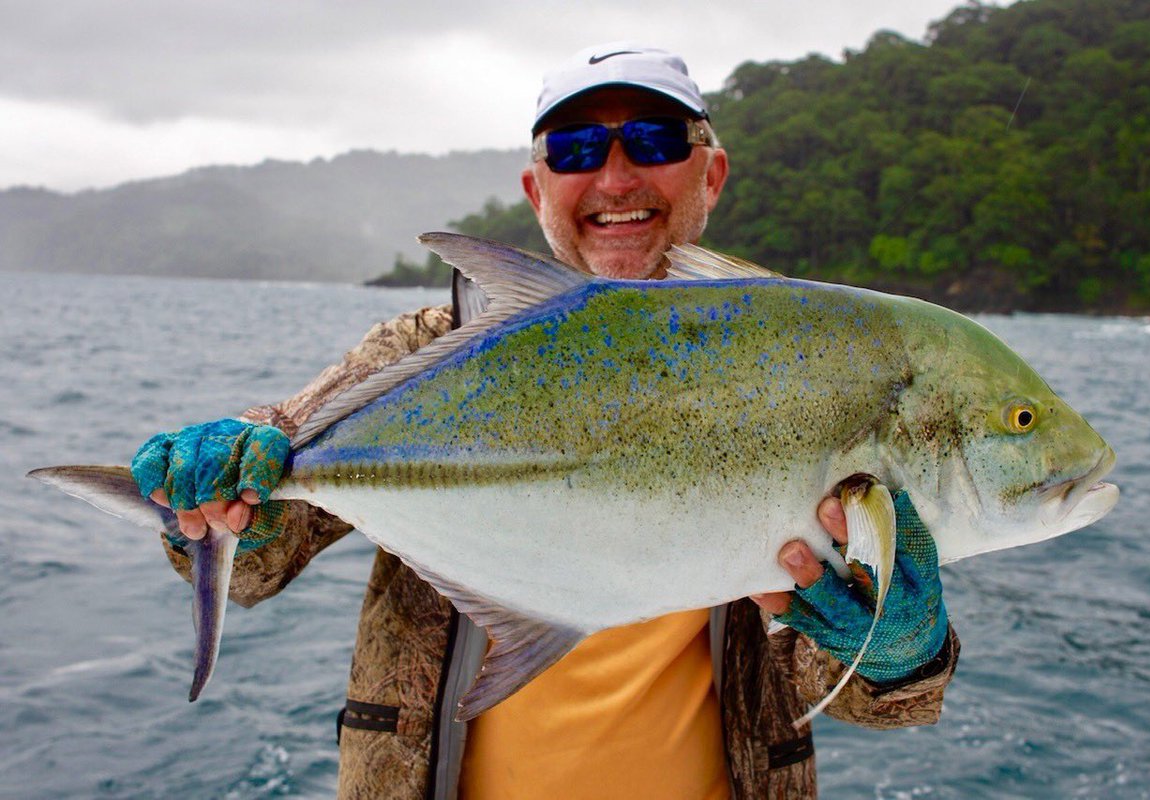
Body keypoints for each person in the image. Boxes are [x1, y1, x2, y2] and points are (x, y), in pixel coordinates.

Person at [133, 43, 957, 799]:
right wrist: (209, 498)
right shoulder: (431, 350)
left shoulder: (800, 360)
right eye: (574, 151)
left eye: (657, 140)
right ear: (536, 191)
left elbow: (872, 703)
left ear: (712, 175)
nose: (616, 178)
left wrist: (899, 650)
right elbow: (255, 561)